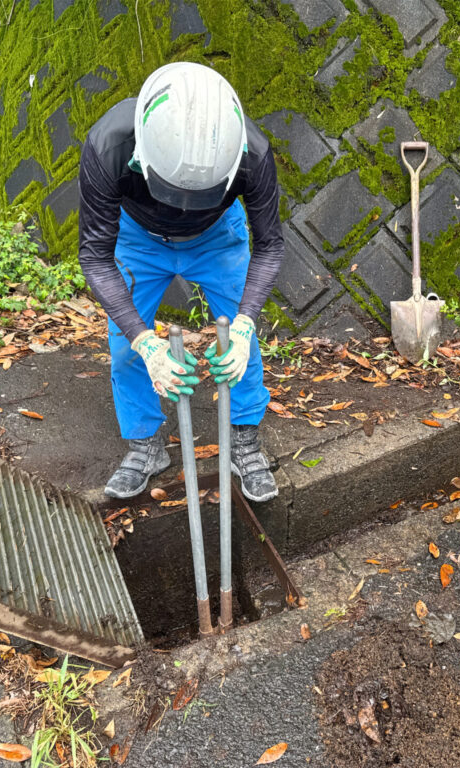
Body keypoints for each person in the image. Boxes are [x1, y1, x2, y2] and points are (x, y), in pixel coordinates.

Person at [77, 61, 283, 502]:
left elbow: (269, 247)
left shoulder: (252, 152)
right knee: (126, 345)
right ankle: (145, 445)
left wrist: (245, 322)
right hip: (138, 239)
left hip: (217, 238)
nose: (185, 204)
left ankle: (244, 438)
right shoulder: (109, 145)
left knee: (239, 343)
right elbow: (94, 256)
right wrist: (146, 344)